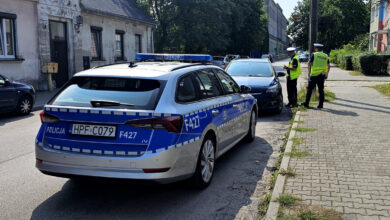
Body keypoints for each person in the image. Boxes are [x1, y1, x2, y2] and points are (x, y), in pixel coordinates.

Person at [301, 43, 330, 109]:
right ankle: (321, 105)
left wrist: (309, 62)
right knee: (321, 90)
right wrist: (326, 74)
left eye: (315, 48)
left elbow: (309, 64)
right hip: (322, 75)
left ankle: (306, 104)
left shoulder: (314, 54)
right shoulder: (326, 55)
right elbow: (328, 66)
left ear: (316, 49)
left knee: (309, 90)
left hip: (314, 75)